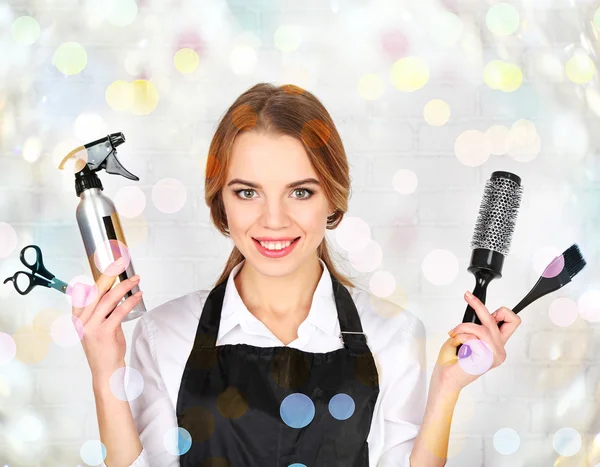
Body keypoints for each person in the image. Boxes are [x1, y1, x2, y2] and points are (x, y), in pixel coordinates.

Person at [73, 83, 522, 467]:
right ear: (221, 204)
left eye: (300, 192)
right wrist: (104, 367)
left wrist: (447, 387)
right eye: (247, 192)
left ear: (332, 200)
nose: (273, 220)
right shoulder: (164, 334)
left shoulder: (394, 334)